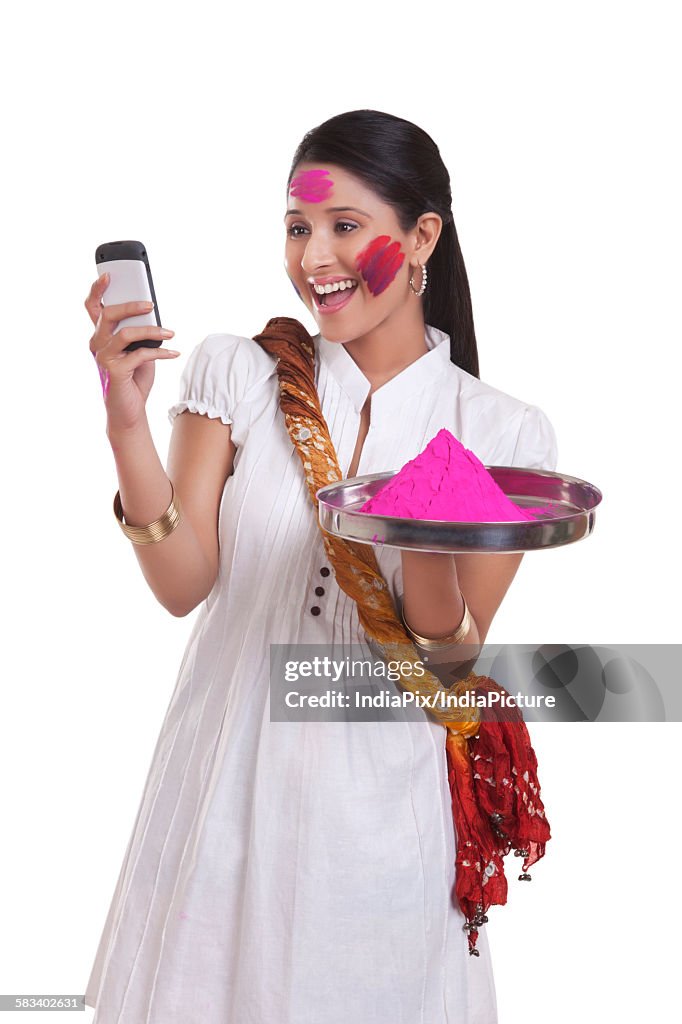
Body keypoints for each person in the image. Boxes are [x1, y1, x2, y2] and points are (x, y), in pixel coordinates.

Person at [83, 109, 558, 1024]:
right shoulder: (243, 376)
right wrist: (126, 422)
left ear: (422, 238)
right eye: (298, 228)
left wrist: (425, 534)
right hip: (223, 782)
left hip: (380, 811)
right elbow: (183, 584)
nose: (313, 258)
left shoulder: (498, 435)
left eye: (346, 226)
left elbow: (447, 663)